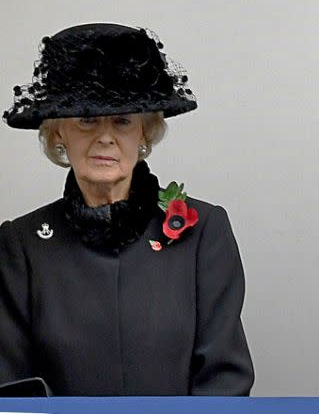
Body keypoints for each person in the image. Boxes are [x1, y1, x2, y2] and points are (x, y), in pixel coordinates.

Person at [0, 23, 254, 395]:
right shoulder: (19, 246)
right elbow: (13, 391)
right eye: (86, 119)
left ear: (145, 133)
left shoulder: (204, 233)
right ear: (57, 133)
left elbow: (224, 384)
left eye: (122, 120)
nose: (105, 136)